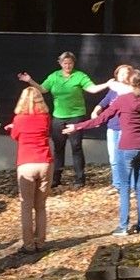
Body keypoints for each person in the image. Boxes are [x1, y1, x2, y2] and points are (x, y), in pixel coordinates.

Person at [63, 73, 140, 235]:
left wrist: (77, 127)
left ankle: (123, 226)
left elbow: (100, 119)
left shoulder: (122, 100)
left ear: (129, 83)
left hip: (127, 147)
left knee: (124, 188)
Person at [17, 52, 113, 188]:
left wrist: (106, 84)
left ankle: (80, 179)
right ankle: (56, 178)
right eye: (65, 63)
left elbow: (92, 89)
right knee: (58, 148)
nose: (67, 66)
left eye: (70, 63)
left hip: (76, 116)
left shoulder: (79, 76)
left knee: (76, 147)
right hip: (58, 117)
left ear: (73, 63)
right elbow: (43, 89)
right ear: (60, 63)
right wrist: (29, 81)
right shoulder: (54, 76)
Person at [5, 85, 53, 253]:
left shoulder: (19, 119)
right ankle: (41, 242)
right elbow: (45, 133)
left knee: (26, 205)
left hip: (26, 163)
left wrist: (12, 127)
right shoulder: (45, 117)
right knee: (40, 206)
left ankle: (29, 245)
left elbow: (15, 136)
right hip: (45, 162)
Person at [92, 64, 135, 197]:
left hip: (125, 129)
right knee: (114, 159)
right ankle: (117, 184)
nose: (122, 76)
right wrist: (96, 111)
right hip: (112, 128)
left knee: (126, 159)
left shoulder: (132, 90)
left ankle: (131, 186)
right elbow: (104, 102)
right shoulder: (113, 91)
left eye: (125, 73)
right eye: (120, 73)